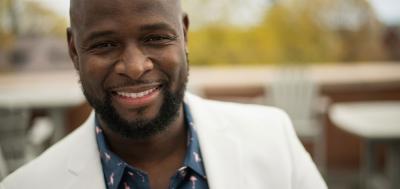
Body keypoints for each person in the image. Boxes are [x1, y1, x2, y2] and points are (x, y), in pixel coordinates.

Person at [0, 0, 327, 188]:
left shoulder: (273, 139)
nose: (134, 66)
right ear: (74, 50)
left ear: (183, 35)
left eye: (155, 38)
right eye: (105, 44)